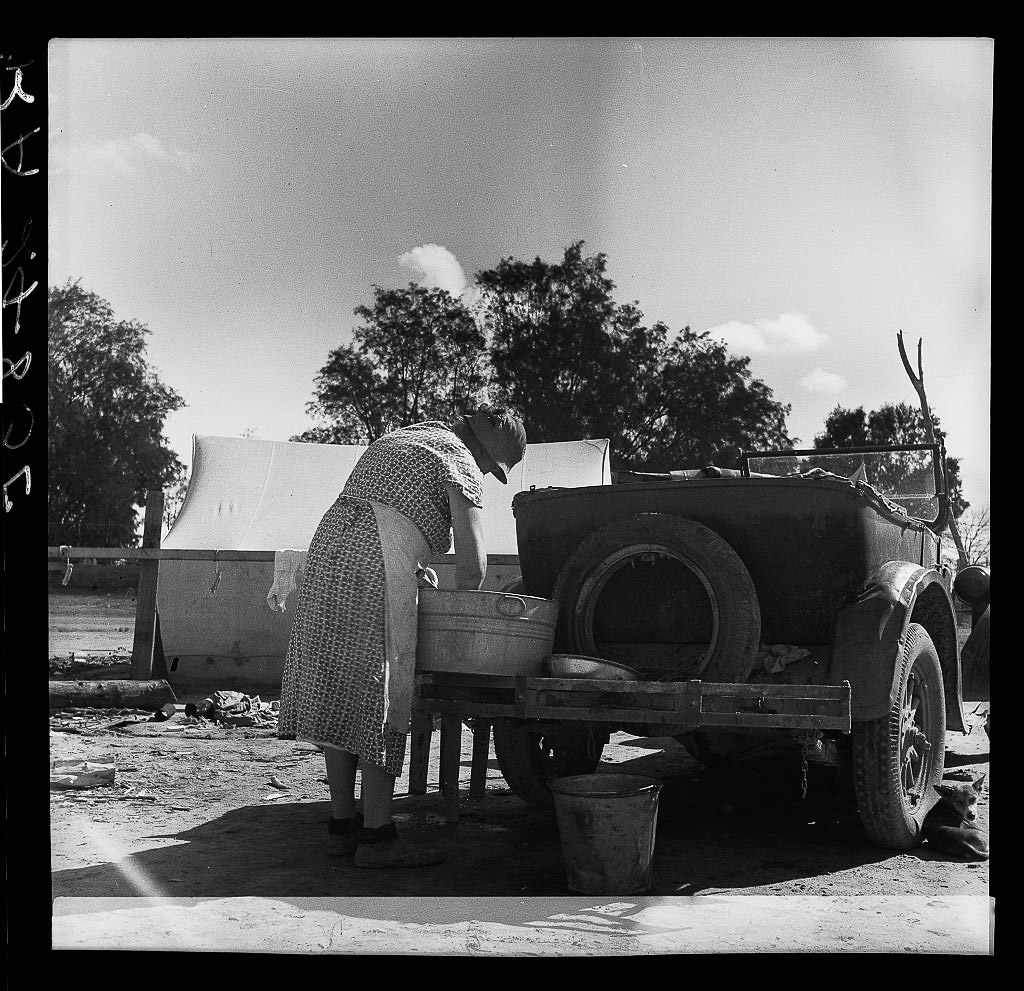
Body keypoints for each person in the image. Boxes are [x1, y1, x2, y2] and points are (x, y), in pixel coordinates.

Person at [277, 406, 528, 867]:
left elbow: (391, 515)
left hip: (328, 555)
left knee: (342, 690)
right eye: (493, 469)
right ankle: (377, 839)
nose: (487, 475)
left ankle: (342, 827)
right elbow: (474, 567)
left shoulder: (398, 440)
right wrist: (455, 627)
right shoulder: (458, 460)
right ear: (484, 450)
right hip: (375, 567)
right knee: (383, 696)